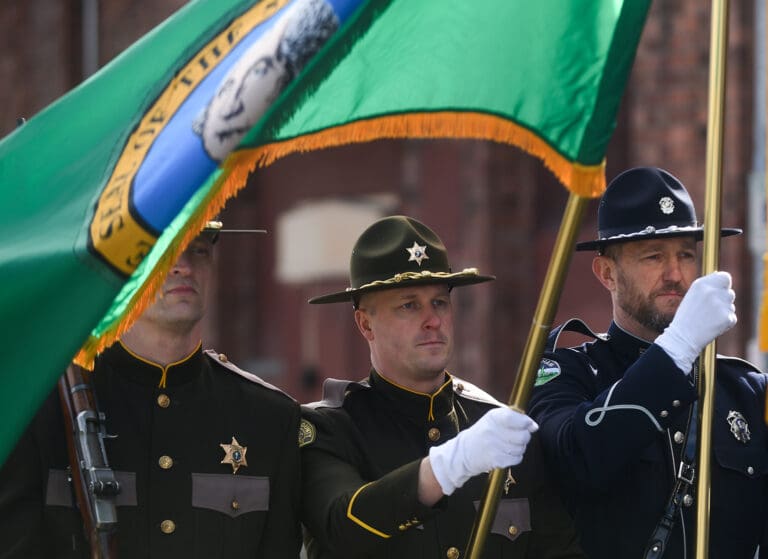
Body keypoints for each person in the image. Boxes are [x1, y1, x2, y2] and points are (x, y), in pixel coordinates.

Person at [0, 222, 302, 558]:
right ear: (121, 268)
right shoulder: (42, 406)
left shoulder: (268, 419)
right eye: (162, 251)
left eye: (199, 251)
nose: (184, 266)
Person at [299, 215, 584, 558]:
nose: (432, 320)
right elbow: (341, 525)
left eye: (439, 302)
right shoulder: (329, 429)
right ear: (365, 324)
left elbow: (559, 550)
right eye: (409, 305)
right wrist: (449, 465)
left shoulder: (497, 428)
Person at [528, 167, 768, 558]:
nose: (675, 274)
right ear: (607, 272)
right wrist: (678, 348)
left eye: (687, 255)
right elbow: (580, 460)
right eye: (654, 256)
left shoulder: (746, 392)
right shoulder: (566, 375)